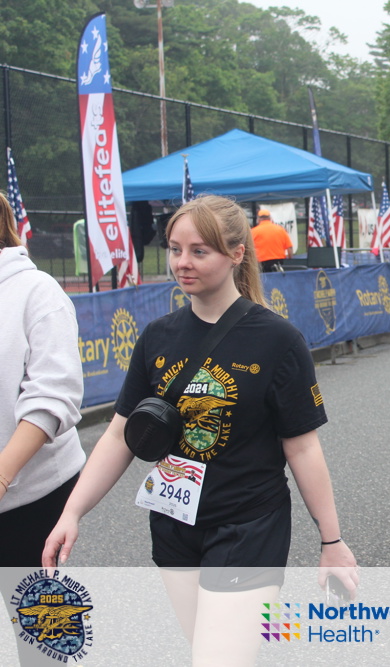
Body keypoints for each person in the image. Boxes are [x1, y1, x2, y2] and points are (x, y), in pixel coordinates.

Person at [43, 195, 357, 665]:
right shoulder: (157, 337)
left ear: (236, 254)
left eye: (198, 251)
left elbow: (303, 448)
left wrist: (331, 542)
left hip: (249, 526)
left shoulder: (278, 340)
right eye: (175, 250)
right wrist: (72, 513)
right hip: (174, 525)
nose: (182, 263)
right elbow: (119, 435)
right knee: (206, 651)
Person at [0, 193, 85, 566]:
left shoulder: (36, 290)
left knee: (40, 606)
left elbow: (53, 395)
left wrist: (3, 477)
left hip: (32, 498)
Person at [250, 207, 292, 272]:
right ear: (270, 218)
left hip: (261, 263)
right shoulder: (280, 230)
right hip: (278, 262)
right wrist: (289, 260)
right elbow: (289, 248)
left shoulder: (253, 231)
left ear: (258, 219)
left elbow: (249, 248)